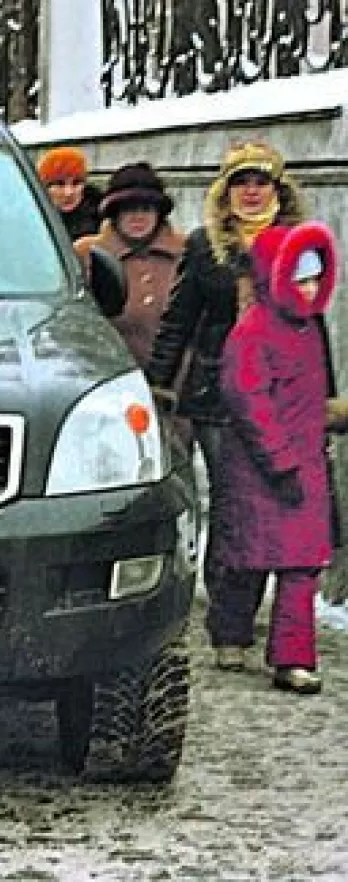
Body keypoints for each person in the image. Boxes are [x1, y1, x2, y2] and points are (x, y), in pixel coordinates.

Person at [146, 140, 308, 672]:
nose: (252, 192)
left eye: (262, 182)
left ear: (278, 190)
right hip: (220, 395)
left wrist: (323, 398)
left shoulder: (298, 246)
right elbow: (178, 321)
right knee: (235, 501)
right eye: (242, 182)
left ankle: (272, 620)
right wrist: (158, 386)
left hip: (285, 395)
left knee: (283, 501)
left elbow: (313, 325)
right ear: (226, 191)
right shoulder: (206, 247)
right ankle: (228, 620)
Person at [217, 221, 338, 694]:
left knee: (303, 563)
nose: (308, 290)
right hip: (261, 467)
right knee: (247, 558)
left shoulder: (308, 330)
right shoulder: (251, 333)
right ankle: (231, 633)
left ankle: (293, 659)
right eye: (299, 280)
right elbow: (249, 402)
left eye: (314, 280)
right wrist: (280, 459)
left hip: (302, 464)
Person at [74, 162, 186, 370]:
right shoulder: (86, 254)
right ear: (114, 213)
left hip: (178, 386)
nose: (138, 217)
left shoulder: (187, 252)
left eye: (146, 208)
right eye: (128, 209)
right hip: (109, 379)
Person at [37, 146, 102, 241]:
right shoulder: (33, 219)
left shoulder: (103, 218)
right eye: (59, 184)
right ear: (44, 188)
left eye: (76, 183)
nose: (69, 192)